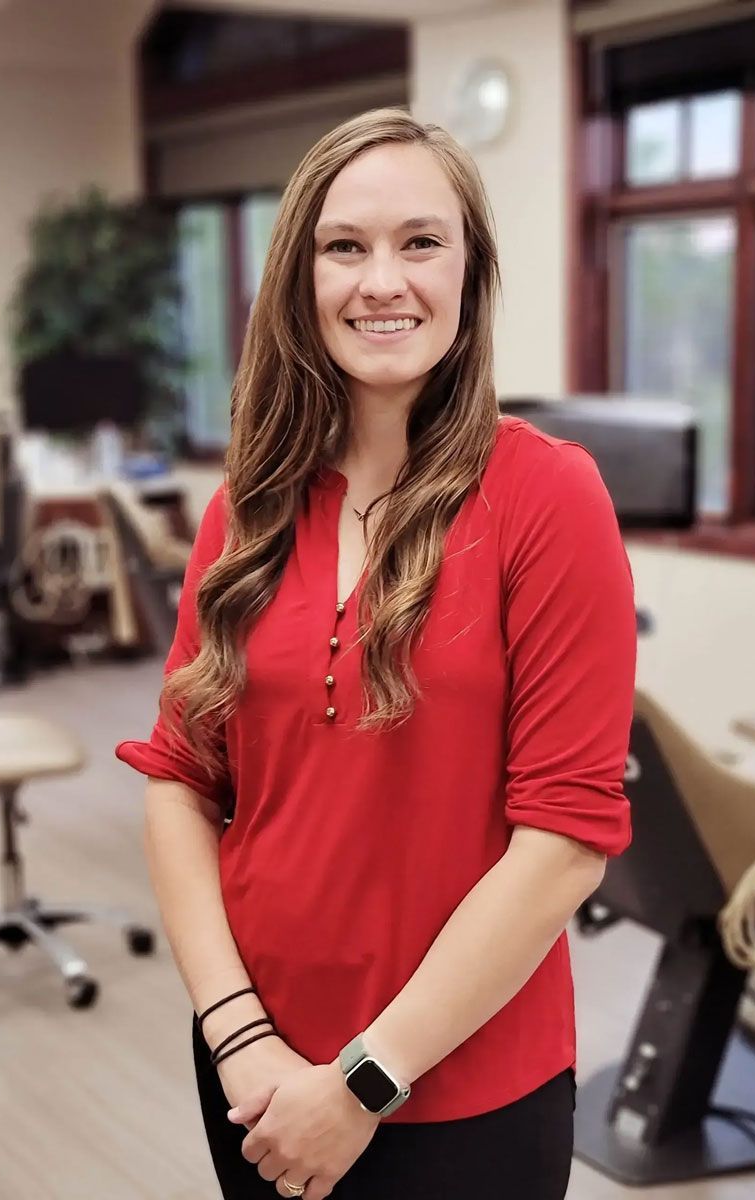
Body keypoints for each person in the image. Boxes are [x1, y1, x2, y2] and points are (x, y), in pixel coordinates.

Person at [116, 107, 636, 1200]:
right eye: (344, 246)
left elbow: (565, 843)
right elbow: (180, 781)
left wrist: (360, 1084)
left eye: (421, 242)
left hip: (461, 1093)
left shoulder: (548, 495)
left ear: (469, 272)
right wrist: (236, 1034)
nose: (382, 281)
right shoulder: (247, 509)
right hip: (253, 1074)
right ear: (299, 277)